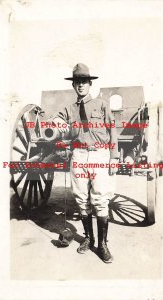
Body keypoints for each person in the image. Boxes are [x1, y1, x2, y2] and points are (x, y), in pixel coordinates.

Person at [54, 63, 119, 263]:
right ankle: (88, 240)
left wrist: (114, 157)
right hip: (79, 156)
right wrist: (57, 124)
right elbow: (57, 120)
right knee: (82, 199)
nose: (80, 85)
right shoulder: (69, 108)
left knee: (100, 200)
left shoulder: (101, 104)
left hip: (99, 155)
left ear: (90, 84)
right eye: (77, 82)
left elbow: (112, 130)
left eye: (84, 82)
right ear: (74, 86)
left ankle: (103, 245)